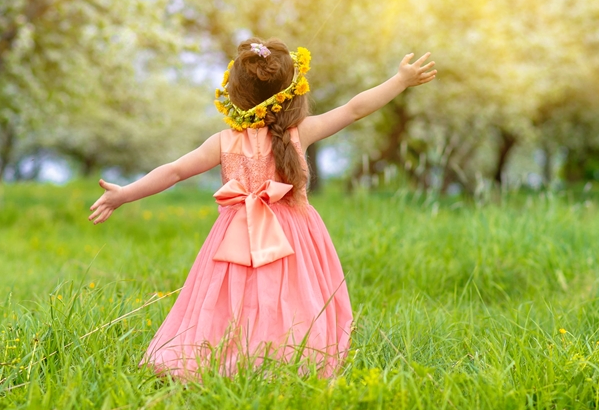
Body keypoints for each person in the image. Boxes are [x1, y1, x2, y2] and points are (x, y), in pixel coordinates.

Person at [89, 39, 437, 377]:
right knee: (292, 297)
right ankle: (287, 359)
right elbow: (354, 109)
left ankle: (230, 357)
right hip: (294, 235)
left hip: (234, 237)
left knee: (228, 299)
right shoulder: (301, 132)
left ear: (235, 96)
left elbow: (174, 171)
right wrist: (400, 80)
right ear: (294, 91)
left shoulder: (223, 141)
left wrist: (125, 194)